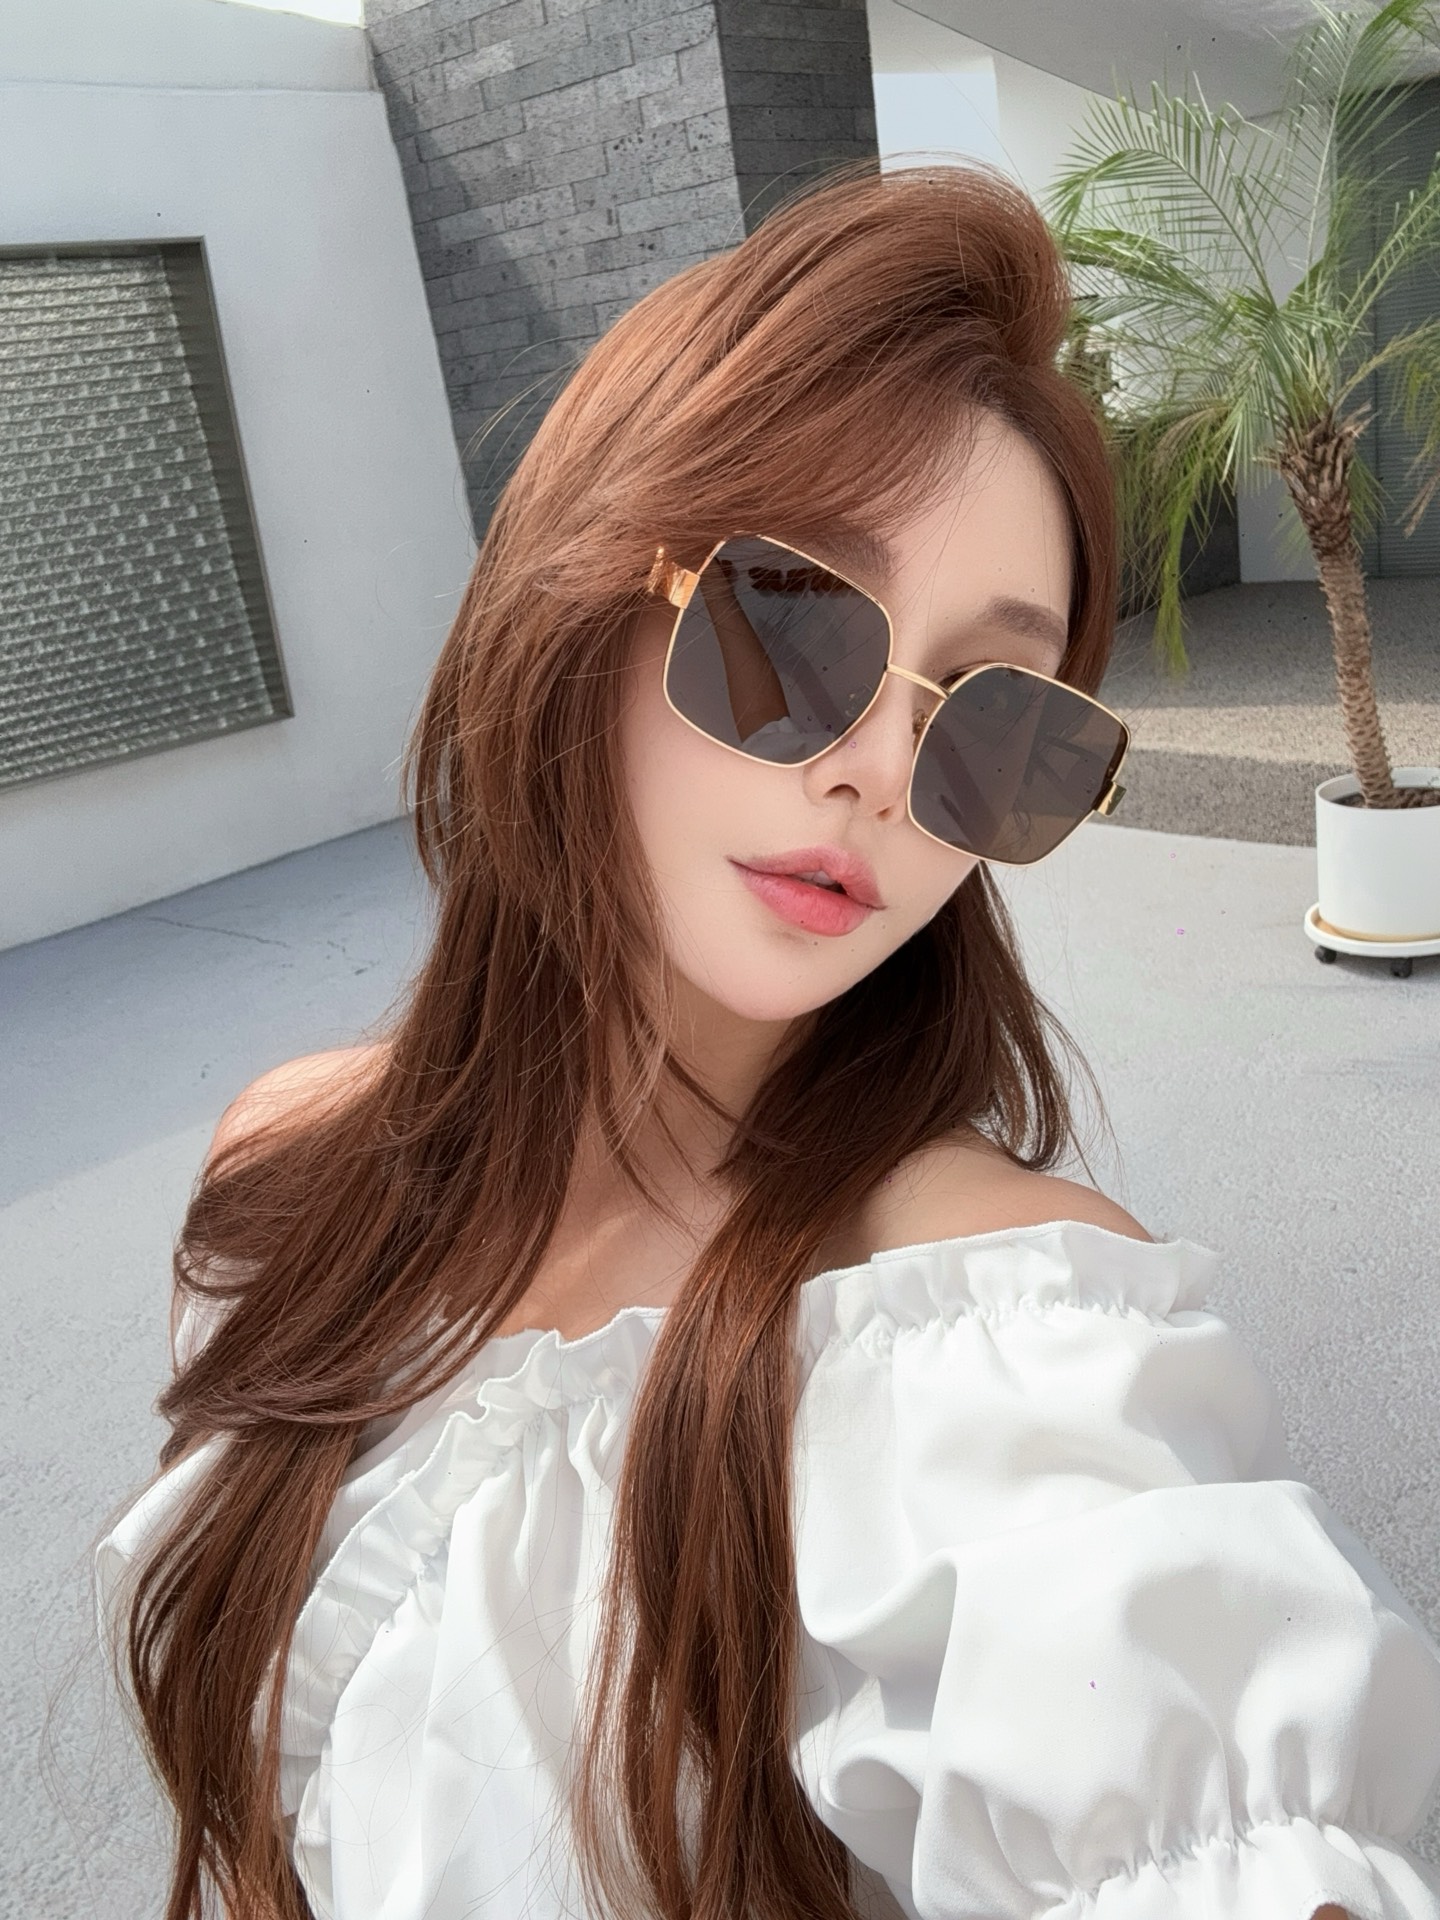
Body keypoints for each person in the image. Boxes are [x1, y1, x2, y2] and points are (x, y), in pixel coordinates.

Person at [93, 161, 1439, 1920]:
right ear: (579, 595)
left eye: (996, 722)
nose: (882, 770)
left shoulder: (995, 1337)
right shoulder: (286, 1164)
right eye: (793, 625)